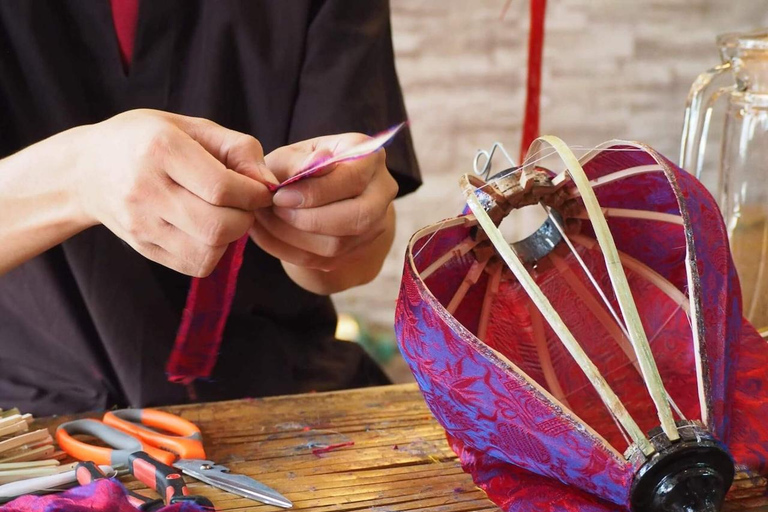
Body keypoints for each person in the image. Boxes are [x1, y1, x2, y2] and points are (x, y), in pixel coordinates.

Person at [0, 0, 421, 416]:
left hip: (279, 398)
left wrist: (337, 224)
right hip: (31, 423)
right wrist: (80, 174)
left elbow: (351, 262)